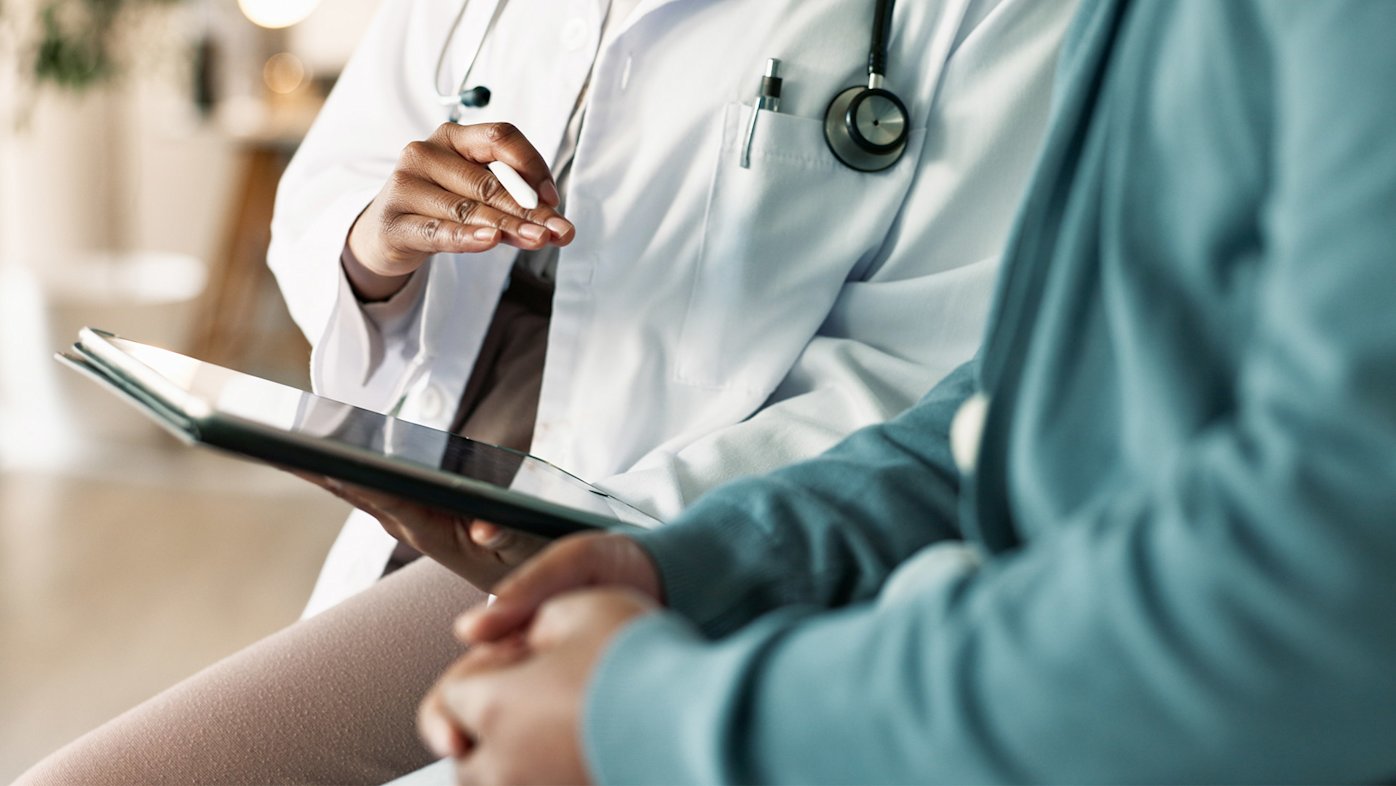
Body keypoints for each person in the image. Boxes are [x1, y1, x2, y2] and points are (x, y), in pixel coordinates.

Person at [15, 1, 1077, 784]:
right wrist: (379, 239)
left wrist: (630, 532)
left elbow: (930, 375)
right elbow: (331, 184)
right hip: (426, 490)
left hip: (659, 540)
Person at [403, 0, 1396, 782]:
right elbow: (1033, 397)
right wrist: (703, 566)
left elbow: (1329, 585)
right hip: (786, 600)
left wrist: (667, 723)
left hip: (1049, 695)